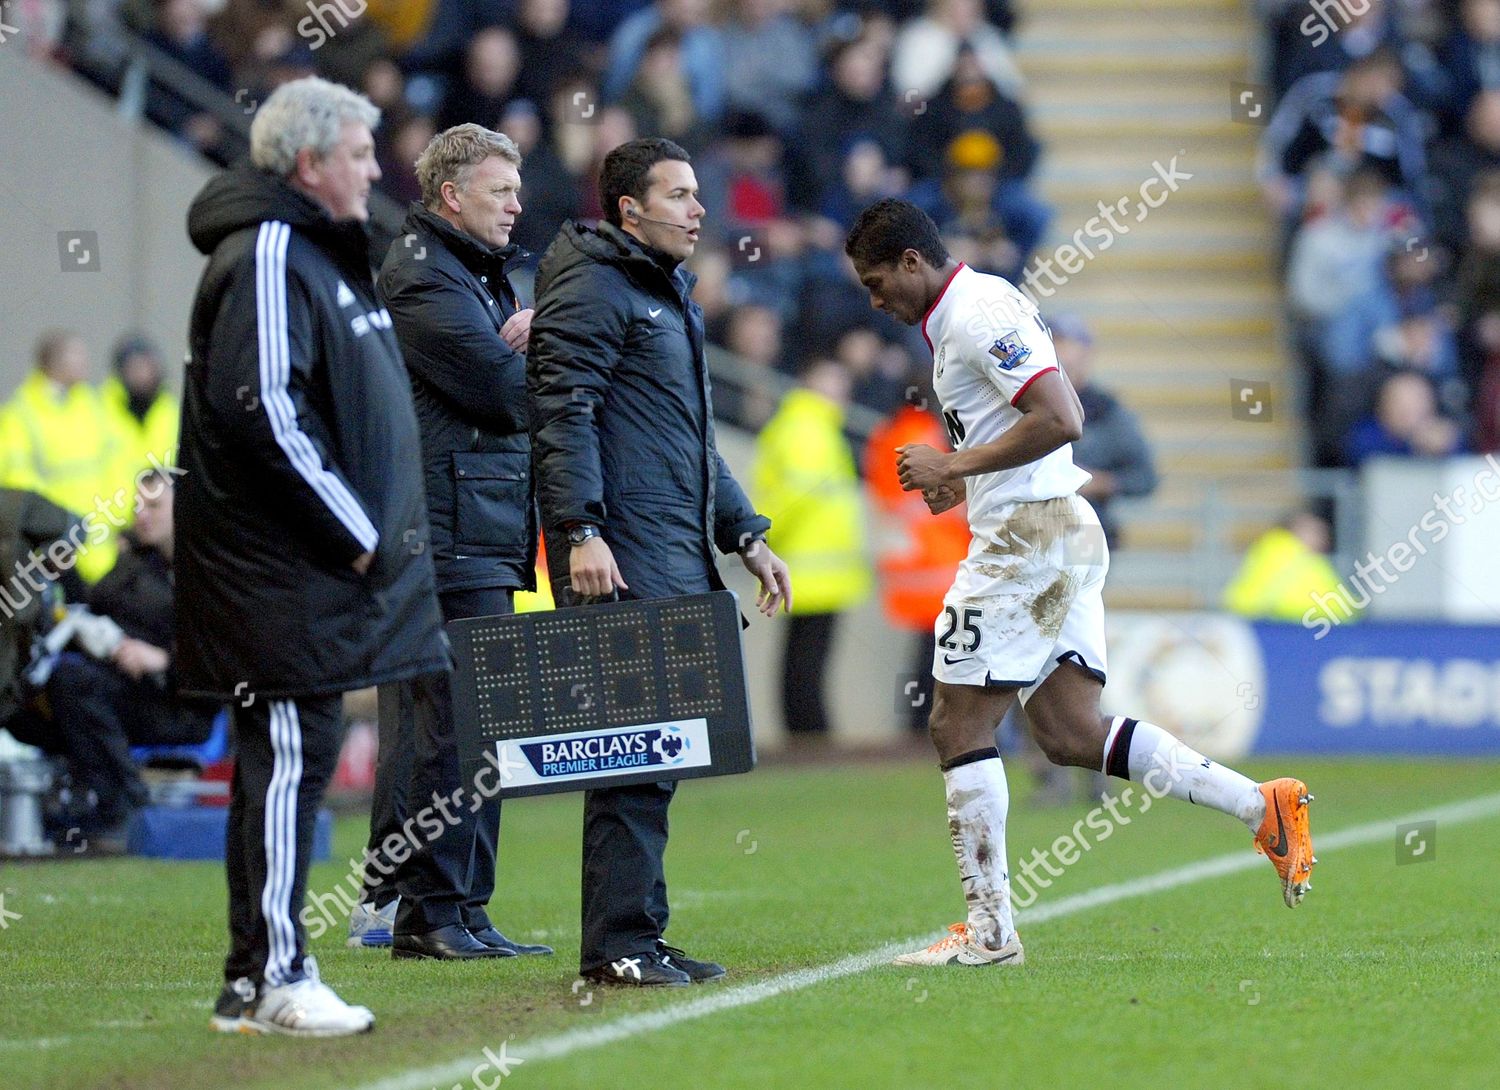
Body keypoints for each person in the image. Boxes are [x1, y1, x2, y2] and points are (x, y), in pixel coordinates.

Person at [844, 199, 1316, 969]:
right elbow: (1022, 429)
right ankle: (1260, 805)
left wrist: (952, 466)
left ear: (910, 262)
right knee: (1070, 733)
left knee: (955, 726)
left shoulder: (976, 312)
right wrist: (962, 484)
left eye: (876, 282)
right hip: (1051, 531)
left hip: (1027, 541)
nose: (874, 301)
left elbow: (1062, 416)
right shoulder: (963, 316)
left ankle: (991, 932)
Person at [177, 76, 448, 1036]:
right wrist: (360, 535)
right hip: (284, 576)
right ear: (309, 162)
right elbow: (264, 409)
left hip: (308, 578)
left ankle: (259, 978)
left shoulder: (315, 253)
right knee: (289, 762)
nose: (377, 170)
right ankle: (278, 978)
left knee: (289, 764)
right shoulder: (270, 251)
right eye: (362, 154)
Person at [529, 136, 791, 987]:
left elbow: (690, 440)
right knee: (631, 755)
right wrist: (578, 531)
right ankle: (616, 948)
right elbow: (561, 412)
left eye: (696, 193)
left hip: (669, 547)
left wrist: (745, 532)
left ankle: (640, 930)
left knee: (659, 754)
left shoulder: (663, 291)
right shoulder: (595, 285)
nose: (699, 208)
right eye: (678, 195)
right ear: (628, 209)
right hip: (619, 553)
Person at [352, 124, 551, 962]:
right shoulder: (426, 277)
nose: (517, 203)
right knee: (452, 728)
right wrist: (536, 344)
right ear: (449, 197)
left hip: (475, 524)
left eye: (516, 188)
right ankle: (431, 913)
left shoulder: (471, 276)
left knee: (456, 725)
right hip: (447, 528)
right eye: (500, 190)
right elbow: (508, 396)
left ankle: (449, 907)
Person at [41, 469, 214, 846]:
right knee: (29, 707)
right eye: (138, 505)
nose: (141, 514)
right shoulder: (135, 562)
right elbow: (90, 608)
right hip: (121, 687)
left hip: (180, 704)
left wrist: (164, 661)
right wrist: (63, 574)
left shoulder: (210, 574)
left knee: (74, 685)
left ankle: (124, 806)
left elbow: (229, 651)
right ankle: (72, 806)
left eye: (154, 506)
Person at [751, 358, 871, 743]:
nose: (842, 395)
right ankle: (810, 735)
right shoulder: (809, 429)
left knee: (803, 658)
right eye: (833, 385)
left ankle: (807, 732)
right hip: (813, 571)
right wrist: (761, 542)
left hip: (812, 568)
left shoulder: (806, 425)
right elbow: (794, 497)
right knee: (807, 660)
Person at [865, 387, 971, 734]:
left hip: (911, 562)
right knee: (939, 656)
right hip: (937, 558)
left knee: (923, 655)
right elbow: (945, 493)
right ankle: (926, 728)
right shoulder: (925, 435)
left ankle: (914, 725)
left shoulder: (885, 434)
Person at [0, 331, 129, 583]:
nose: (84, 362)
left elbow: (115, 463)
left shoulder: (93, 405)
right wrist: (56, 526)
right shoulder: (21, 414)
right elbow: (19, 482)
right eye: (76, 356)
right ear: (54, 362)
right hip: (54, 547)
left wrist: (120, 515)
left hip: (101, 540)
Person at [1048, 314, 1157, 549]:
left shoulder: (1107, 411)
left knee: (1076, 584)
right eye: (1054, 342)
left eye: (1066, 343)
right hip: (1028, 528)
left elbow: (1144, 478)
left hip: (1085, 529)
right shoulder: (1022, 404)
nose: (1060, 351)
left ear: (1086, 354)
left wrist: (1097, 483)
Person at [1224, 508, 1348, 622]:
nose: (1323, 538)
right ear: (1296, 530)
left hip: (1286, 625)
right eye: (1315, 531)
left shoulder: (1307, 557)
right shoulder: (1286, 554)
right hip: (1281, 626)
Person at [101, 333, 181, 501]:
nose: (143, 374)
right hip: (111, 517)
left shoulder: (172, 413)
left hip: (158, 516)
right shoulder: (99, 412)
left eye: (148, 366)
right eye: (135, 367)